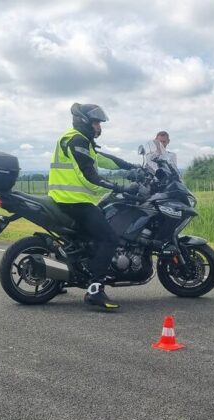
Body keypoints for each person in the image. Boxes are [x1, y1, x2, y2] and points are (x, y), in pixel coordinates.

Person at [48, 103, 136, 309]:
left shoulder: (79, 139)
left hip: (68, 199)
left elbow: (103, 159)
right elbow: (89, 174)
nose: (99, 127)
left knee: (94, 237)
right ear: (85, 121)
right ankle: (95, 289)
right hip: (74, 201)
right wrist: (119, 187)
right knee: (109, 238)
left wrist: (132, 167)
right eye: (96, 122)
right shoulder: (77, 140)